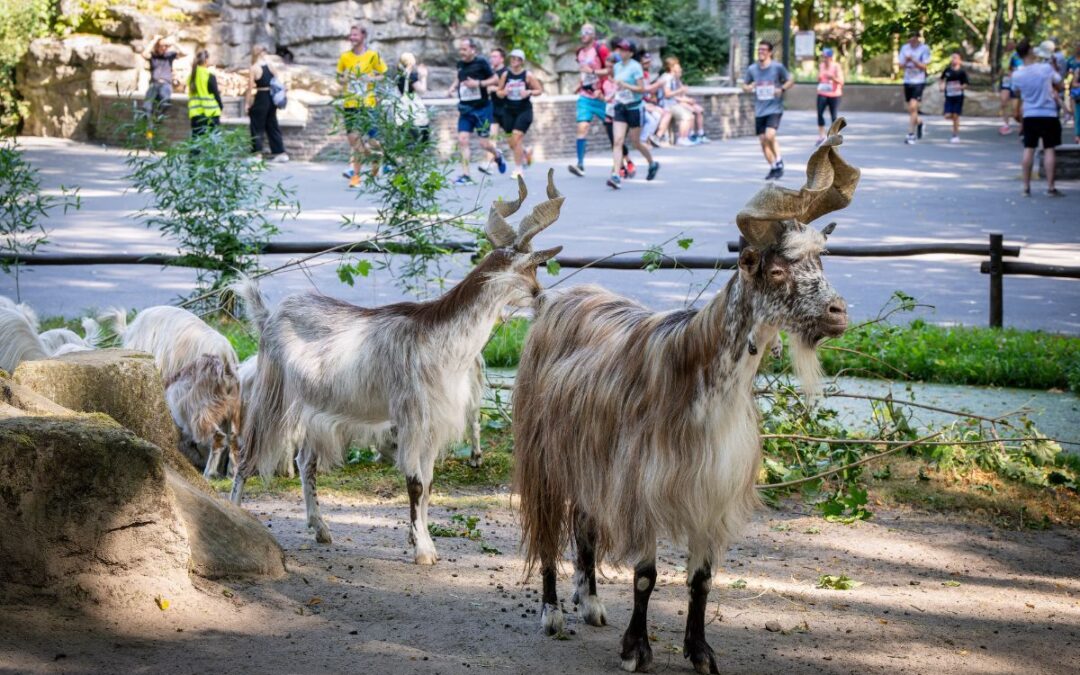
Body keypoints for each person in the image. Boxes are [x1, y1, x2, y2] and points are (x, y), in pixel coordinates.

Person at [446, 38, 506, 186]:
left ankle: (497, 155)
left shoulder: (482, 62)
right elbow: (460, 77)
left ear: (473, 49)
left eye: (464, 49)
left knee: (484, 144)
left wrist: (478, 83)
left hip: (482, 109)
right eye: (460, 50)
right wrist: (452, 88)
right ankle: (466, 175)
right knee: (462, 140)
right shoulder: (460, 64)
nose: (462, 52)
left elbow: (495, 79)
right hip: (465, 108)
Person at [1011, 39, 1065, 197]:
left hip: (1029, 114)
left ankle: (1026, 187)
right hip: (1048, 113)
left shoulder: (1017, 74)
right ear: (1030, 52)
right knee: (1049, 149)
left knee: (1029, 149)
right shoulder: (1045, 69)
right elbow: (1060, 84)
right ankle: (1050, 187)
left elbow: (1017, 92)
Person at [337, 24, 387, 189]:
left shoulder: (373, 56)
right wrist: (347, 78)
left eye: (355, 35)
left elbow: (383, 75)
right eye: (351, 35)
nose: (352, 38)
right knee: (354, 140)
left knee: (373, 140)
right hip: (350, 103)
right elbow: (339, 78)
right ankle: (357, 176)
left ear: (363, 36)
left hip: (368, 104)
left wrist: (370, 79)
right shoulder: (345, 57)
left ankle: (375, 158)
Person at [607, 38, 660, 190]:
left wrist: (626, 86)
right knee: (617, 141)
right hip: (620, 107)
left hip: (634, 108)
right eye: (619, 49)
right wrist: (613, 95)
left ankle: (652, 163)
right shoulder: (617, 66)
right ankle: (616, 175)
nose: (621, 51)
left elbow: (642, 89)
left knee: (636, 142)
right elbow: (618, 87)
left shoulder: (636, 67)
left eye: (624, 49)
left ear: (630, 53)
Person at [742, 40, 793, 180]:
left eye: (764, 50)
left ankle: (779, 161)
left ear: (770, 52)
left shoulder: (777, 67)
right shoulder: (752, 69)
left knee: (770, 135)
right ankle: (774, 167)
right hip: (760, 109)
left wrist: (781, 89)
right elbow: (744, 85)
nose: (761, 52)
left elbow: (790, 80)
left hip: (774, 107)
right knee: (763, 140)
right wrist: (749, 87)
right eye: (759, 50)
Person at [569, 24, 611, 177]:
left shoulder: (601, 50)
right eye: (582, 32)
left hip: (602, 95)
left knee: (612, 130)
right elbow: (584, 74)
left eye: (588, 32)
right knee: (582, 128)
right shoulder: (580, 52)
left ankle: (626, 162)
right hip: (585, 96)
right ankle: (580, 164)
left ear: (593, 35)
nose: (584, 34)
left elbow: (611, 69)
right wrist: (580, 85)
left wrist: (593, 71)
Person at [496, 49, 543, 179]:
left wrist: (529, 92)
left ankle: (518, 169)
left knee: (516, 137)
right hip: (508, 110)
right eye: (512, 58)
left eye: (517, 59)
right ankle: (526, 152)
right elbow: (498, 92)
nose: (513, 61)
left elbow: (539, 90)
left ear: (522, 61)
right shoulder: (505, 75)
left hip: (524, 110)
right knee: (512, 142)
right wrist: (503, 92)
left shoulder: (528, 75)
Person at [246, 45, 288, 162]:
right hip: (271, 98)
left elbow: (250, 88)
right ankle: (280, 152)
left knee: (256, 126)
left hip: (261, 97)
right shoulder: (270, 66)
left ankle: (257, 154)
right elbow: (277, 79)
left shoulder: (254, 68)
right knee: (272, 125)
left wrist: (247, 104)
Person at [658, 57, 708, 146]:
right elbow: (667, 94)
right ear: (671, 67)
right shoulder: (667, 78)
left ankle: (696, 135)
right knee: (688, 115)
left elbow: (678, 93)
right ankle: (683, 138)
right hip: (667, 104)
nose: (679, 66)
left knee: (695, 111)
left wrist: (685, 96)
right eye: (677, 65)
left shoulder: (673, 78)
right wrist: (681, 91)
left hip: (673, 103)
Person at [898, 30, 931, 144]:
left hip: (919, 81)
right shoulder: (904, 48)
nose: (911, 41)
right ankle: (920, 122)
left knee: (913, 107)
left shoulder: (924, 49)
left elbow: (924, 67)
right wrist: (906, 61)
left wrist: (913, 60)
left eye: (913, 38)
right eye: (909, 39)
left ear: (918, 38)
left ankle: (911, 134)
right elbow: (900, 66)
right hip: (907, 81)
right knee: (911, 109)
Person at [142, 36, 185, 118]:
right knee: (147, 106)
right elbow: (144, 54)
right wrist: (154, 40)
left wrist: (174, 43)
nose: (164, 48)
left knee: (165, 102)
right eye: (162, 46)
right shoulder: (153, 56)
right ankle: (147, 123)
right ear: (157, 46)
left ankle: (157, 118)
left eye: (165, 46)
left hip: (165, 84)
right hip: (154, 84)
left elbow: (185, 53)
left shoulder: (170, 55)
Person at [396, 52, 430, 144]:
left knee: (406, 139)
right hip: (413, 110)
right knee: (422, 138)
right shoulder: (411, 76)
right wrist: (424, 77)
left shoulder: (399, 75)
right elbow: (422, 90)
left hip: (402, 110)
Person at [186, 50, 221, 138]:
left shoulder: (191, 77)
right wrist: (221, 106)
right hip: (211, 114)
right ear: (206, 60)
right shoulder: (209, 75)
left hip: (195, 114)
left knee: (196, 142)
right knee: (212, 143)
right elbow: (216, 94)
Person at [938, 52, 969, 144]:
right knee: (947, 115)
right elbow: (941, 79)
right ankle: (956, 122)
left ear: (959, 60)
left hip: (958, 96)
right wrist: (941, 86)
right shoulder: (947, 70)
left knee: (956, 115)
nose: (954, 60)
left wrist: (960, 87)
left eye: (956, 58)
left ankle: (955, 135)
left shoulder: (962, 72)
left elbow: (966, 84)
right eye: (952, 58)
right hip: (949, 96)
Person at [815, 47, 843, 144]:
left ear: (830, 57)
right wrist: (818, 78)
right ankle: (821, 136)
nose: (824, 59)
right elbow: (819, 78)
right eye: (823, 57)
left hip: (834, 94)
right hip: (822, 92)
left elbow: (841, 81)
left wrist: (833, 78)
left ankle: (834, 136)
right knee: (819, 113)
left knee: (833, 115)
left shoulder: (836, 66)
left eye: (826, 57)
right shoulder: (821, 65)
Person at [997, 40, 1023, 134]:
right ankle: (1006, 125)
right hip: (1005, 82)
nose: (1009, 46)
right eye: (1008, 44)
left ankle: (1023, 124)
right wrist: (999, 77)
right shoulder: (1005, 55)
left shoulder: (1017, 55)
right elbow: (1003, 68)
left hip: (1015, 82)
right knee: (1003, 102)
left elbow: (1019, 68)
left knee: (1015, 111)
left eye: (1011, 44)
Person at [1066, 40, 1080, 145]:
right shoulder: (1070, 61)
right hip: (1075, 92)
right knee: (1076, 113)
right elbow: (1067, 75)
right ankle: (1077, 134)